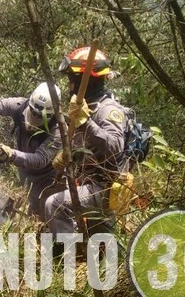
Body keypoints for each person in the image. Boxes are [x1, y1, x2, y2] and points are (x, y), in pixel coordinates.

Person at [45, 47, 130, 235]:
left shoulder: (107, 109)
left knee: (55, 205)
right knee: (102, 242)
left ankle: (66, 252)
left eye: (72, 79)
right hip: (88, 182)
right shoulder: (86, 106)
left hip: (104, 187)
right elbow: (87, 146)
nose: (69, 84)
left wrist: (86, 122)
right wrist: (67, 155)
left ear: (86, 80)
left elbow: (115, 147)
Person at [0, 83, 62, 217]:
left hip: (45, 177)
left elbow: (39, 160)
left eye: (40, 115)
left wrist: (11, 154)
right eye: (33, 112)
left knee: (42, 212)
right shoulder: (19, 105)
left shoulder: (58, 130)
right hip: (24, 168)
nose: (36, 117)